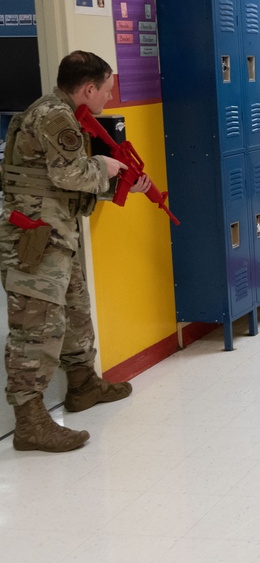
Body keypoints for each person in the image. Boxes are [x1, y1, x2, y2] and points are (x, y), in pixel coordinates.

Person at [0, 50, 151, 453]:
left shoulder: (65, 114)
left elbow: (61, 179)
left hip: (56, 232)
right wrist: (103, 166)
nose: (108, 99)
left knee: (74, 311)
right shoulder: (54, 116)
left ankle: (82, 385)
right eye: (105, 90)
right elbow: (71, 173)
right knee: (37, 327)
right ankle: (30, 420)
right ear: (88, 88)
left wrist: (119, 181)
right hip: (34, 236)